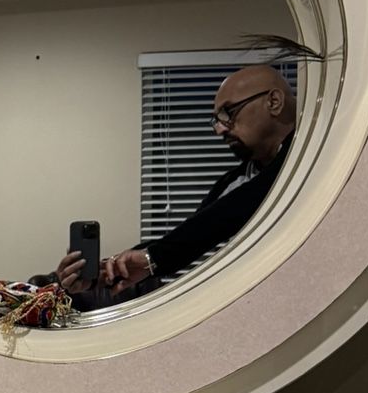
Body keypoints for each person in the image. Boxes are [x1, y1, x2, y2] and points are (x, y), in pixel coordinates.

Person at [57, 63, 297, 300]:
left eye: (229, 113)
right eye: (216, 120)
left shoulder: (303, 165)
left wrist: (153, 257)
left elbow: (244, 203)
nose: (220, 130)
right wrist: (110, 272)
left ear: (273, 102)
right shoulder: (232, 182)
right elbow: (194, 232)